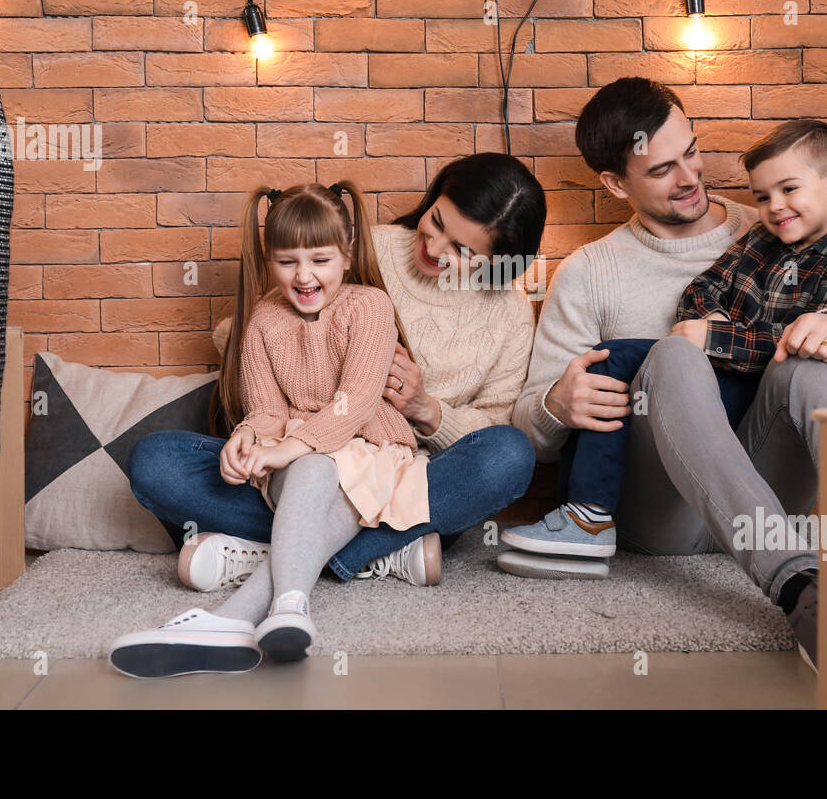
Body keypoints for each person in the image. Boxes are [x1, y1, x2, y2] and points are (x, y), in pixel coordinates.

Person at [509, 78, 827, 671]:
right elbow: (531, 437)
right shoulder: (589, 273)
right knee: (672, 354)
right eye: (662, 169)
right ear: (616, 184)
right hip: (664, 514)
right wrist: (555, 405)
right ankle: (799, 588)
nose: (690, 176)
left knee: (808, 366)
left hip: (770, 485)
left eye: (690, 151)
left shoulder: (776, 222)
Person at [125, 153, 546, 597]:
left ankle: (274, 556)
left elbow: (494, 428)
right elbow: (263, 325)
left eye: (463, 251)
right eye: (437, 221)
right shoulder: (363, 245)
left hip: (401, 478)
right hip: (294, 462)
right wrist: (261, 422)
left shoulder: (510, 316)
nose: (435, 248)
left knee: (509, 456)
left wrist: (428, 411)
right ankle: (378, 553)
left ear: (500, 262)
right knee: (156, 460)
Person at [111, 181, 437, 676]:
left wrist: (290, 449)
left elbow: (356, 403)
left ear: (346, 257)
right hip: (295, 462)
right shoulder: (263, 319)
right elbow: (266, 410)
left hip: (369, 453)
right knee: (159, 455)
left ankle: (247, 613)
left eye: (320, 260)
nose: (304, 276)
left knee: (315, 466)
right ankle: (310, 577)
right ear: (270, 262)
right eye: (287, 263)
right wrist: (247, 435)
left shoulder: (369, 306)